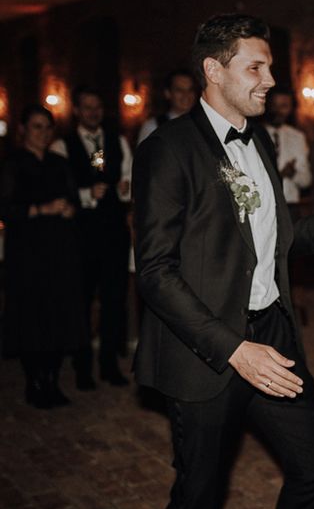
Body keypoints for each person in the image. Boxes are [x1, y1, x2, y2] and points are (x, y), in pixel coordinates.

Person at [133, 13, 314, 509]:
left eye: (269, 67)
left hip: (273, 334)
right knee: (197, 501)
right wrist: (233, 349)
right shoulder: (167, 149)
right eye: (255, 67)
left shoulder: (260, 139)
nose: (270, 80)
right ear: (214, 71)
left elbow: (274, 243)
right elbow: (155, 271)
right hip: (209, 350)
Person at [0, 104, 87, 408]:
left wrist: (69, 209)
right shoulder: (12, 164)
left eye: (48, 127)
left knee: (56, 317)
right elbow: (5, 209)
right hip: (27, 254)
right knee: (30, 317)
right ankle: (33, 382)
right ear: (23, 129)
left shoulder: (59, 163)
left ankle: (51, 379)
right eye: (37, 126)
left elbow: (76, 200)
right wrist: (40, 209)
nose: (43, 133)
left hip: (59, 251)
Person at [50, 86, 132, 388]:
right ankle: (82, 366)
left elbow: (131, 175)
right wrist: (86, 194)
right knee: (81, 301)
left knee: (113, 300)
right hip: (81, 236)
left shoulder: (116, 140)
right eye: (87, 107)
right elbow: (58, 189)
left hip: (112, 232)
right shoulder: (62, 145)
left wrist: (126, 188)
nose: (94, 112)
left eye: (97, 107)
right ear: (76, 111)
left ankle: (109, 364)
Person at [263, 87, 312, 218]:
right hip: (263, 204)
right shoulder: (255, 134)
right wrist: (278, 174)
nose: (278, 111)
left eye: (284, 106)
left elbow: (306, 180)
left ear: (291, 109)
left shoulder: (297, 137)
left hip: (290, 206)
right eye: (274, 105)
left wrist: (293, 173)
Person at [136, 69, 198, 145]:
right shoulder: (152, 126)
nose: (186, 95)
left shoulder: (202, 124)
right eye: (179, 90)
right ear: (168, 93)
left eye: (190, 90)